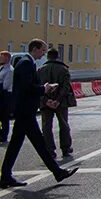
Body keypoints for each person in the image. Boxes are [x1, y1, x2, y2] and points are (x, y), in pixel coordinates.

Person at [0, 39, 79, 189]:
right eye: (42, 50)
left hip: (25, 110)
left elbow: (27, 87)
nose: (44, 54)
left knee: (20, 144)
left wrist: (44, 96)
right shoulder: (26, 63)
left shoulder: (27, 63)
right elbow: (26, 87)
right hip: (25, 111)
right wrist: (45, 88)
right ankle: (57, 172)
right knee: (39, 143)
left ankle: (6, 176)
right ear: (35, 49)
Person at [37, 46, 76, 159]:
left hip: (46, 102)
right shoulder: (63, 69)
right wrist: (58, 100)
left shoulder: (40, 69)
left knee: (46, 127)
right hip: (61, 102)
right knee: (64, 125)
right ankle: (65, 148)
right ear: (57, 57)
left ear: (48, 57)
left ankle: (50, 150)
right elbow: (65, 87)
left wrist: (46, 100)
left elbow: (39, 87)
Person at [0, 50, 12, 145]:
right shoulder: (2, 68)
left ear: (7, 58)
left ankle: (4, 136)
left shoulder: (10, 70)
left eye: (2, 56)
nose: (0, 58)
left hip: (5, 96)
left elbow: (5, 85)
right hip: (0, 95)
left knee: (4, 116)